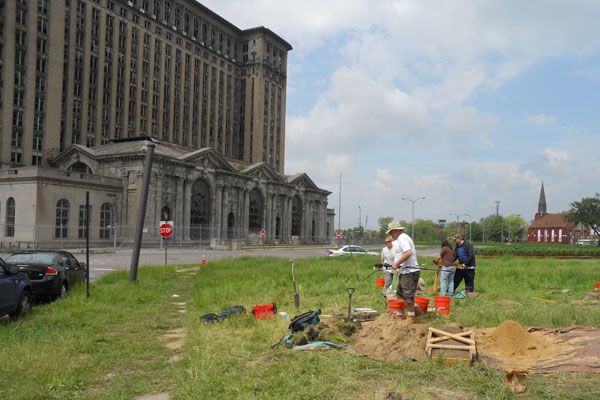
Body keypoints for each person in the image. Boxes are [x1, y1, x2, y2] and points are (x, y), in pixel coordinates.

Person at [387, 220, 419, 324]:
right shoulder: (403, 237)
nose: (391, 235)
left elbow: (408, 253)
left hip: (410, 272)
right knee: (400, 293)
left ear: (396, 231)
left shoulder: (402, 238)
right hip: (405, 271)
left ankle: (412, 317)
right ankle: (414, 310)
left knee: (408, 295)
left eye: (391, 232)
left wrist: (396, 264)